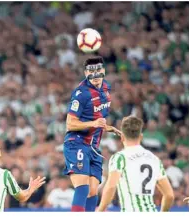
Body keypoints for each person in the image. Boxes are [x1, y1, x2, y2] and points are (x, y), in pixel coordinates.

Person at [63, 56, 121, 212]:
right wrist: (93, 124)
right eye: (91, 72)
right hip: (77, 143)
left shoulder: (106, 88)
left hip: (94, 146)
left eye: (98, 71)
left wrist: (105, 127)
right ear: (85, 73)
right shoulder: (81, 93)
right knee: (83, 187)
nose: (95, 76)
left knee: (94, 191)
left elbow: (95, 117)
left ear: (103, 71)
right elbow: (70, 123)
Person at [97, 116, 174, 212]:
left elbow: (111, 186)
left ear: (122, 137)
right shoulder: (154, 159)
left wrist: (100, 210)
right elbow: (169, 195)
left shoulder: (120, 158)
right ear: (141, 137)